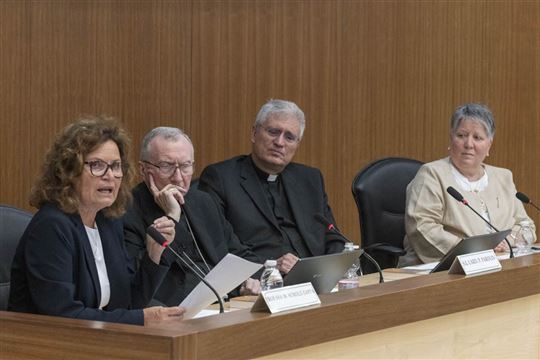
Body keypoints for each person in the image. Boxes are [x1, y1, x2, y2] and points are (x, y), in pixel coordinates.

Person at [8, 115, 184, 325]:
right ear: (69, 172)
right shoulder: (52, 227)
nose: (110, 175)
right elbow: (62, 316)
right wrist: (141, 318)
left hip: (95, 341)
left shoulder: (108, 222)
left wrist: (153, 255)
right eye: (97, 165)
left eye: (116, 166)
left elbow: (127, 303)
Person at [199, 99, 345, 274]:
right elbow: (219, 246)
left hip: (314, 279)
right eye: (273, 132)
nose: (280, 142)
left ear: (297, 145)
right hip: (262, 284)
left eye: (289, 137)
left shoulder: (310, 179)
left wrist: (328, 270)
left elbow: (332, 235)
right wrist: (271, 268)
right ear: (254, 133)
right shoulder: (221, 178)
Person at [123, 127, 262, 307]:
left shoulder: (203, 202)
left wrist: (248, 281)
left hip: (223, 307)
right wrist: (172, 216)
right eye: (166, 166)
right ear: (143, 170)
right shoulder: (128, 211)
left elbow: (239, 253)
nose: (179, 178)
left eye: (186, 166)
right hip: (173, 315)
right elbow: (138, 288)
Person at [399, 103, 536, 266]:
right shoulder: (431, 175)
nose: (469, 144)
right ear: (451, 138)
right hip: (439, 271)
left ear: (489, 145)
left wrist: (506, 241)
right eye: (462, 135)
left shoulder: (503, 177)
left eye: (477, 138)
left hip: (498, 267)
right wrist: (476, 251)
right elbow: (421, 228)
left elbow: (527, 227)